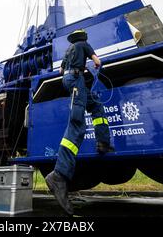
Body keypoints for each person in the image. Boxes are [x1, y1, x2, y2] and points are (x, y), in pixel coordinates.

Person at [45, 29, 114, 215]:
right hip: (77, 80)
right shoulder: (83, 45)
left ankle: (103, 142)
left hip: (71, 80)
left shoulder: (68, 51)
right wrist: (95, 65)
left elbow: (60, 71)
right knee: (77, 124)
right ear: (83, 38)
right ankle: (58, 175)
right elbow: (96, 60)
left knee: (96, 107)